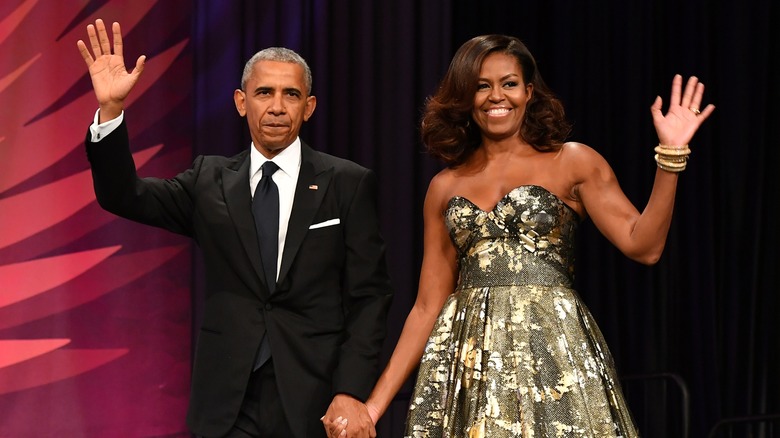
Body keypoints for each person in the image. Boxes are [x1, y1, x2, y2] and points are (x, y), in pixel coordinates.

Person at [323, 35, 714, 437]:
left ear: (528, 92)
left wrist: (671, 158)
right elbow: (426, 307)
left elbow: (644, 246)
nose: (497, 96)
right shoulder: (445, 186)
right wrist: (372, 408)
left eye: (509, 83)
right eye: (481, 85)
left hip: (552, 360)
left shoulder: (573, 161)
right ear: (465, 95)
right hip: (469, 366)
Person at [77, 19, 392, 438]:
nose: (277, 107)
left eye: (290, 95)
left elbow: (369, 297)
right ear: (242, 102)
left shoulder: (347, 182)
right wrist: (112, 112)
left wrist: (351, 390)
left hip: (314, 399)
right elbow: (124, 196)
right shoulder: (209, 179)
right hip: (226, 402)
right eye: (264, 93)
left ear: (309, 107)